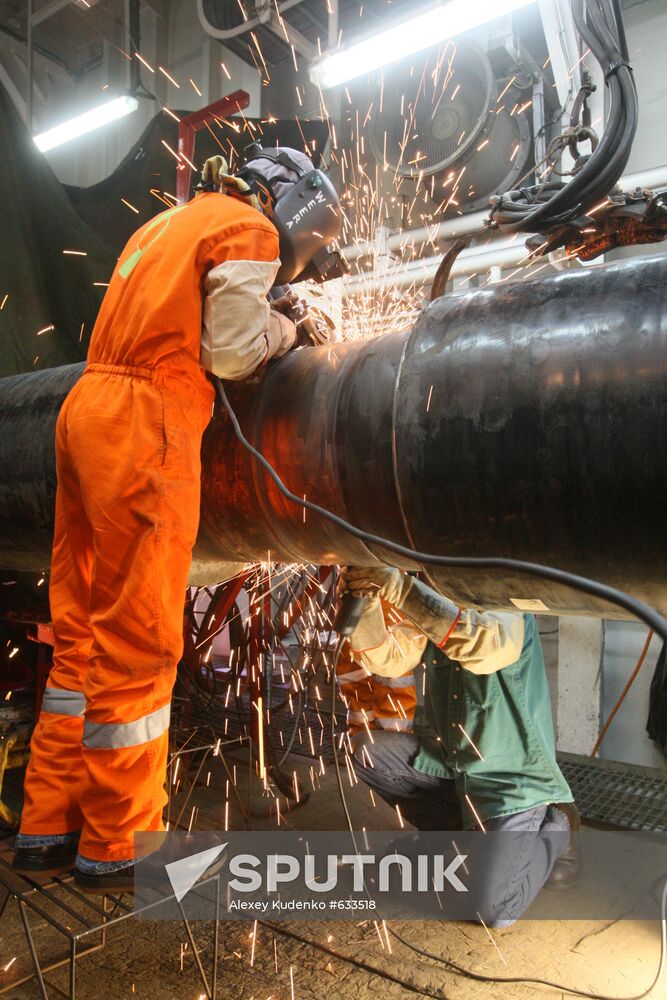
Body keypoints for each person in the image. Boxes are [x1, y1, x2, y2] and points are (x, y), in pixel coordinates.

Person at [13, 147, 326, 892]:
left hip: (83, 412)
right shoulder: (247, 230)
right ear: (292, 214)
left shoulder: (169, 222)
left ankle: (44, 828)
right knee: (139, 638)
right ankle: (119, 843)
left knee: (79, 633)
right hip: (143, 424)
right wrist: (289, 328)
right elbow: (230, 352)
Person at [337, 566, 582, 926]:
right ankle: (452, 841)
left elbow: (486, 647)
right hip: (450, 765)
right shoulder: (436, 603)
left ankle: (558, 825)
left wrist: (402, 590)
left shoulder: (506, 601)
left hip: (509, 783)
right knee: (366, 752)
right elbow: (389, 658)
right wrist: (369, 601)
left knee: (493, 911)